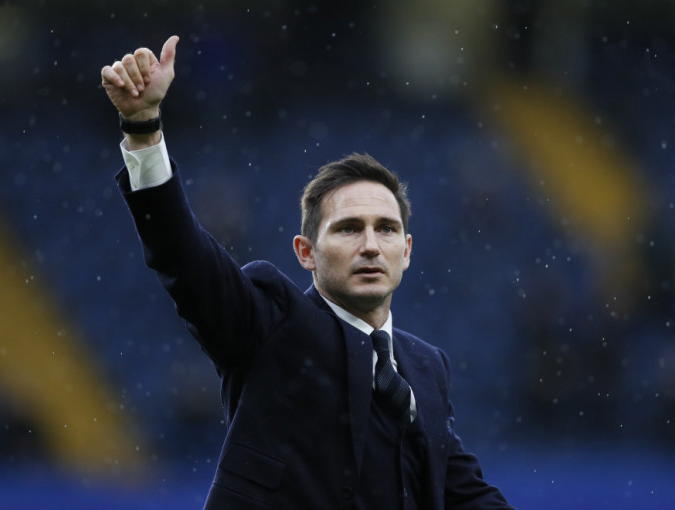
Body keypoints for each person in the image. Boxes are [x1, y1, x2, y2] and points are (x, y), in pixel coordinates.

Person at [101, 35, 515, 510]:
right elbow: (184, 257)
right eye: (348, 229)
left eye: (386, 229)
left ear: (406, 251)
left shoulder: (426, 366)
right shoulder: (272, 322)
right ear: (306, 253)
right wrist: (143, 128)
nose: (370, 245)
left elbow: (463, 492)